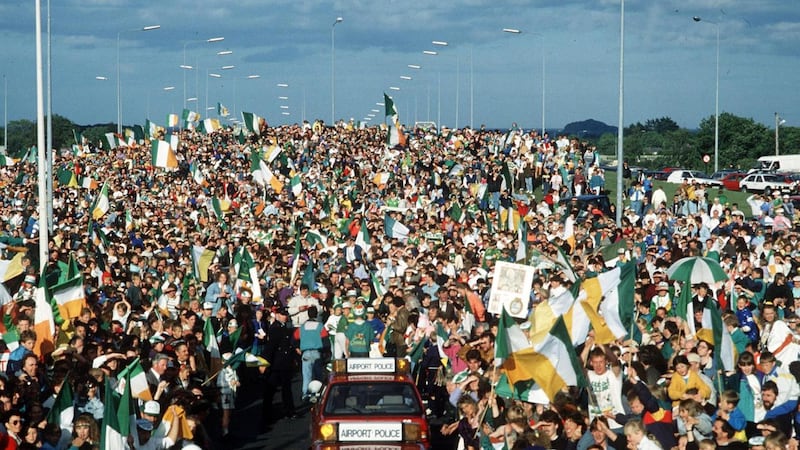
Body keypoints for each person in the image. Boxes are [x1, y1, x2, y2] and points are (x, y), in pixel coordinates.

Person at [262, 306, 297, 428]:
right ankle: (267, 414)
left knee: (286, 388)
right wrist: (265, 362)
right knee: (270, 390)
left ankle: (289, 410)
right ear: (277, 315)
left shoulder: (284, 327)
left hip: (285, 362)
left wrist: (292, 359)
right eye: (282, 315)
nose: (284, 317)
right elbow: (271, 347)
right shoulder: (275, 328)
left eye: (285, 315)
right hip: (276, 363)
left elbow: (288, 345)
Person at [294, 306, 327, 402]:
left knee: (306, 376)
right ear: (316, 314)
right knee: (318, 376)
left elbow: (294, 338)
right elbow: (325, 340)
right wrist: (326, 352)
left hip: (306, 353)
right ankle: (318, 394)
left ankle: (305, 394)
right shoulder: (320, 326)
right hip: (317, 353)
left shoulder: (302, 327)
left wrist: (297, 348)